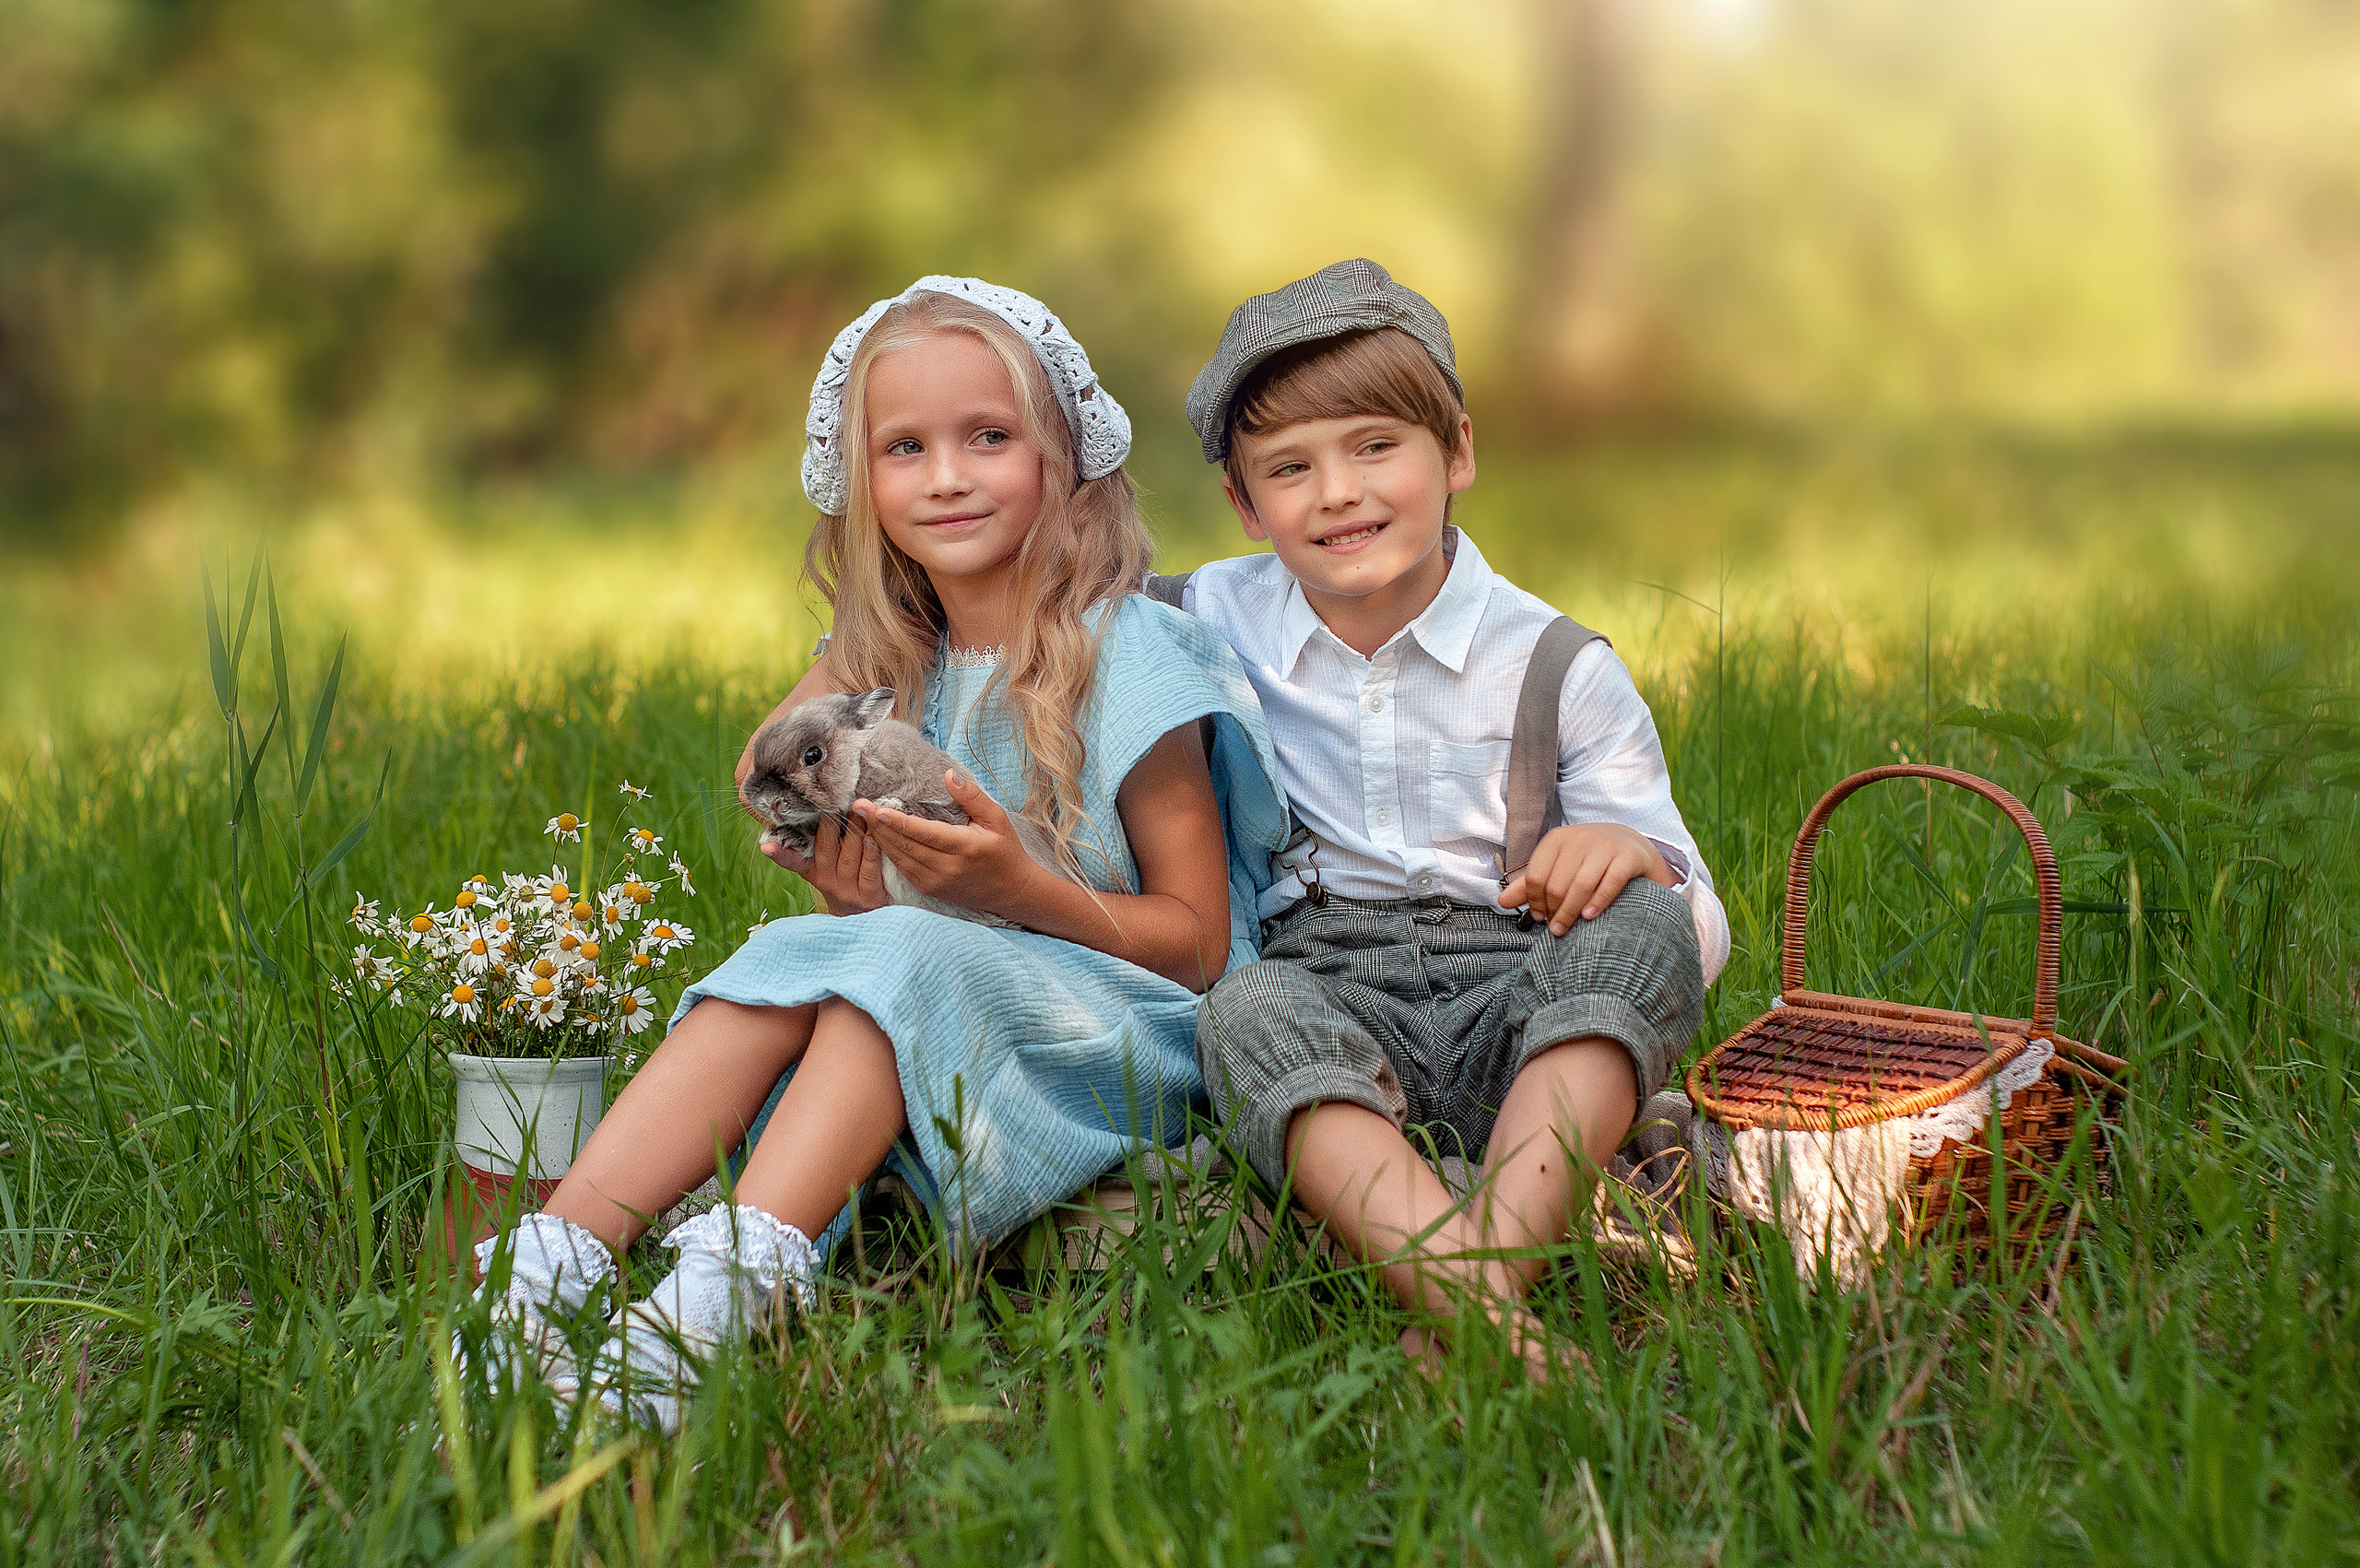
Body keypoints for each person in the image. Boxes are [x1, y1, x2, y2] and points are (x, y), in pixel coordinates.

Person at [461, 277, 1288, 1432]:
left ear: (1065, 458)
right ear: (862, 483)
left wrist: (1013, 890)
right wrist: (851, 848)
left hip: (1125, 1024)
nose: (946, 476)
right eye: (903, 447)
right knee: (806, 945)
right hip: (948, 992)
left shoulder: (1134, 656)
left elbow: (1200, 947)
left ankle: (713, 1309)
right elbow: (765, 761)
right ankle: (548, 1271)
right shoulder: (893, 663)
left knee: (891, 958)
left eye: (988, 437)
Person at [1177, 259, 1729, 1373]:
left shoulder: (1555, 663)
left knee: (1647, 926)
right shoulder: (1201, 616)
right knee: (1244, 1008)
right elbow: (1033, 603)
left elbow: (1694, 924)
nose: (1338, 493)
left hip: (1515, 1006)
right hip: (1332, 1001)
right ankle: (1495, 1318)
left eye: (1375, 446)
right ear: (1244, 505)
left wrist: (1623, 853)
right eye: (1290, 469)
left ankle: (1454, 1296)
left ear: (1457, 453)